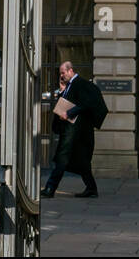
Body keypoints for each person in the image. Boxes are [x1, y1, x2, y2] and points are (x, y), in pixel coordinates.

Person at [41, 61, 107, 198]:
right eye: (60, 73)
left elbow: (86, 103)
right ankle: (91, 188)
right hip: (72, 130)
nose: (61, 76)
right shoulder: (69, 86)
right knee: (81, 161)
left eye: (63, 73)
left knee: (62, 158)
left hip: (77, 130)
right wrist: (61, 91)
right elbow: (65, 103)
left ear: (71, 71)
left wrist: (69, 113)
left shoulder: (82, 84)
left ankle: (50, 188)